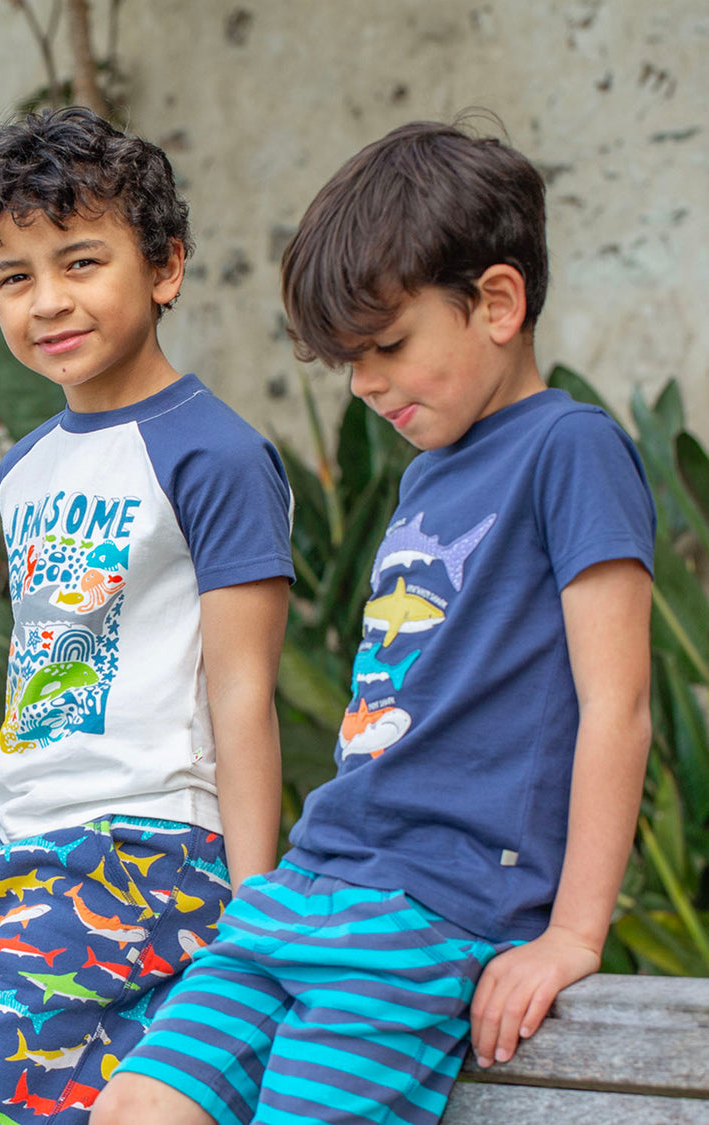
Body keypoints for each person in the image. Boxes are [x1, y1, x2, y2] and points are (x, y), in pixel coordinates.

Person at [91, 118, 656, 1125]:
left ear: (496, 301)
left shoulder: (571, 449)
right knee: (134, 1108)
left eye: (387, 347)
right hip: (308, 884)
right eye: (348, 361)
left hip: (430, 912)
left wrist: (573, 935)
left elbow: (617, 707)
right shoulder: (428, 476)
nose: (364, 385)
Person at [0, 106, 293, 1123]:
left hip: (143, 855)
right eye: (15, 277)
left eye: (81, 262)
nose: (49, 301)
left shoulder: (216, 456)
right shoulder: (25, 469)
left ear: (164, 268)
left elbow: (244, 690)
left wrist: (255, 919)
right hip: (11, 856)